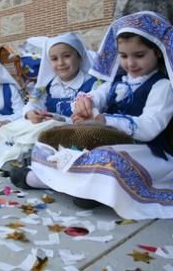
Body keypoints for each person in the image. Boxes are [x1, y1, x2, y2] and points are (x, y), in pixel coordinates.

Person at [14, 12, 173, 220]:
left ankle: (55, 183)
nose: (130, 63)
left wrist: (104, 120)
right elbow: (97, 95)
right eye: (124, 56)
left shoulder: (162, 86)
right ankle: (82, 189)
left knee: (108, 160)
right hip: (114, 143)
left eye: (139, 55)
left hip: (147, 151)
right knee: (54, 144)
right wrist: (85, 103)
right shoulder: (117, 82)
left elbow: (149, 127)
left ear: (158, 52)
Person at [0, 33, 97, 178]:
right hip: (45, 123)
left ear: (79, 56)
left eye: (66, 56)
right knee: (11, 129)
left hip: (71, 129)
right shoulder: (47, 85)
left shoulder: (91, 85)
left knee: (32, 133)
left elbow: (92, 114)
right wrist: (30, 113)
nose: (60, 63)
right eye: (54, 59)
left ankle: (19, 160)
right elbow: (32, 104)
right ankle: (6, 158)